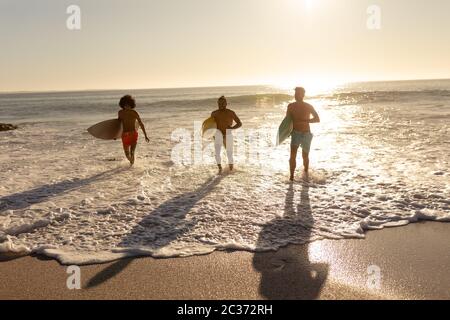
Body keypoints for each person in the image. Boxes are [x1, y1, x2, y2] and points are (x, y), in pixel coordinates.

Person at [287, 87, 320, 181]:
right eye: (295, 93)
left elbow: (317, 119)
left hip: (306, 133)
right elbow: (287, 121)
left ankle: (305, 174)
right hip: (295, 133)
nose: (296, 95)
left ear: (303, 95)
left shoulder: (308, 106)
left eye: (298, 93)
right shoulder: (290, 106)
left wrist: (306, 120)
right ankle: (291, 177)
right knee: (292, 155)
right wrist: (286, 132)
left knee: (305, 156)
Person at [211, 96, 242, 173]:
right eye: (219, 103)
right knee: (217, 153)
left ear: (226, 103)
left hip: (228, 134)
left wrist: (232, 128)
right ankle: (220, 169)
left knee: (229, 153)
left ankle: (231, 170)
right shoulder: (214, 113)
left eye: (222, 103)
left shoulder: (230, 112)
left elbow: (239, 123)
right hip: (217, 134)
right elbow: (211, 125)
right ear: (217, 103)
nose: (220, 105)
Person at [117, 95, 149, 165]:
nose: (127, 106)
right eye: (125, 105)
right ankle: (131, 164)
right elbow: (118, 124)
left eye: (129, 105)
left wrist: (145, 135)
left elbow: (141, 124)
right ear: (123, 105)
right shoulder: (120, 113)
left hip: (133, 134)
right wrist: (115, 135)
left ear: (131, 105)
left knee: (132, 152)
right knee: (127, 155)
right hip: (124, 136)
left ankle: (132, 168)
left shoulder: (134, 113)